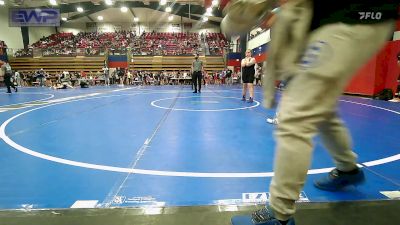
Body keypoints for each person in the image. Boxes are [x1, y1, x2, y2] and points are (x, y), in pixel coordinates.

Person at [224, 1, 398, 225]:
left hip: (352, 17)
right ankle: (348, 168)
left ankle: (279, 214)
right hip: (334, 20)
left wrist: (255, 7)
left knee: (295, 114)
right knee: (320, 106)